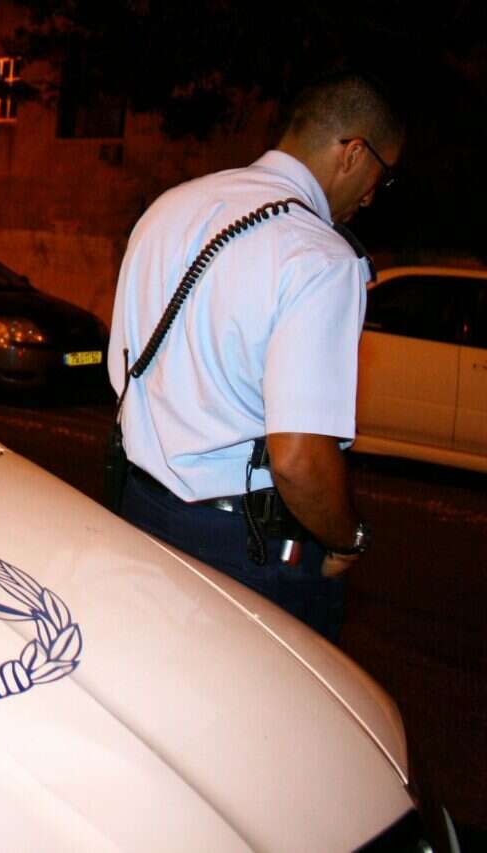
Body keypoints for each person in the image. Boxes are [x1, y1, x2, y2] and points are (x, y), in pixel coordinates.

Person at [107, 71, 404, 643]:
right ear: (353, 154)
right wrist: (348, 538)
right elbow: (297, 459)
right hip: (246, 552)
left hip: (138, 512)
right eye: (381, 176)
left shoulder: (170, 206)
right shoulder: (320, 256)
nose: (371, 195)